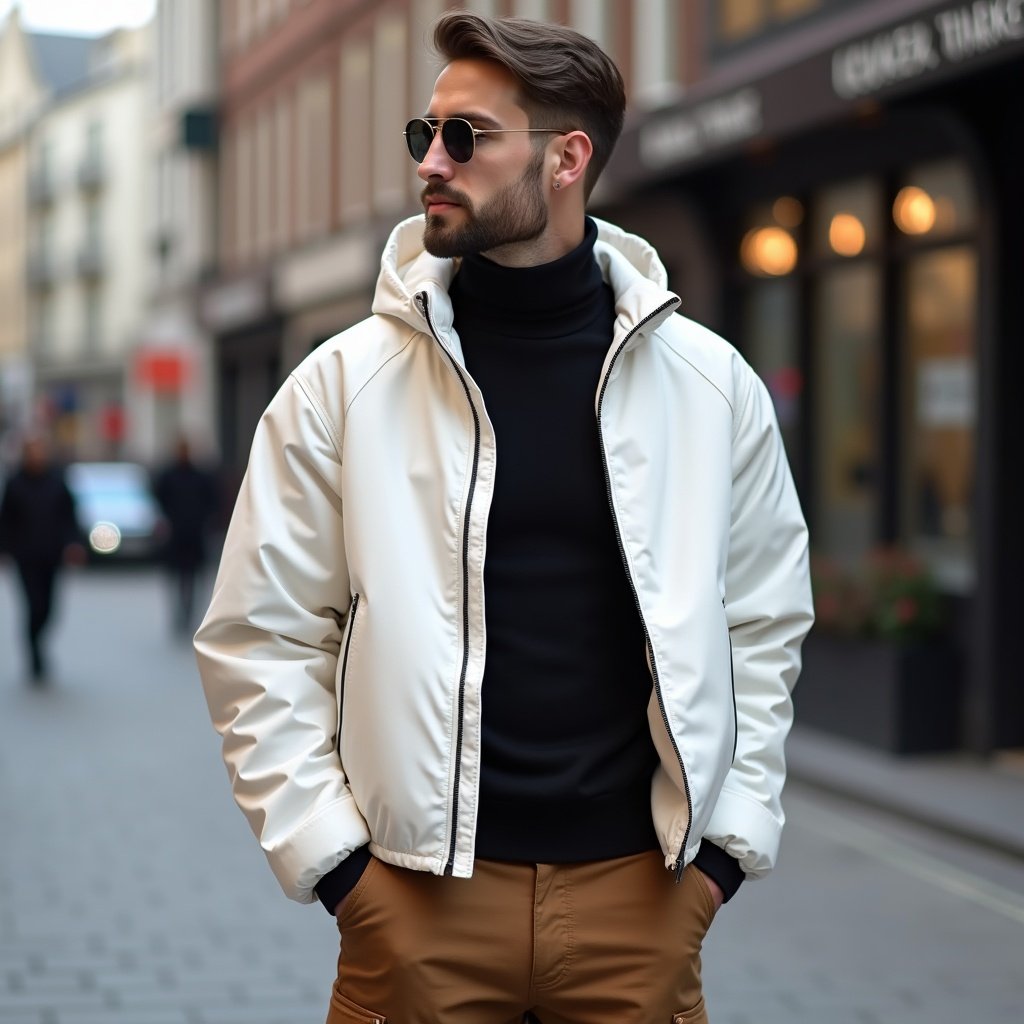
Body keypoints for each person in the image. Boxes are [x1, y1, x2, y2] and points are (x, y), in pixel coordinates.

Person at [195, 12, 814, 1023]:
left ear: (567, 158)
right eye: (423, 136)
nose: (430, 162)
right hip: (415, 905)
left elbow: (763, 620)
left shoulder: (712, 387)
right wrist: (342, 870)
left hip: (641, 901)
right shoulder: (340, 386)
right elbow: (258, 635)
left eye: (465, 137)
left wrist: (719, 859)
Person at [0, 435, 83, 683]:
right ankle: (34, 654)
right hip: (25, 556)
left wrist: (73, 543)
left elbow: (69, 516)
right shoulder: (15, 484)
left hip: (51, 554)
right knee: (33, 605)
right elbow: (6, 521)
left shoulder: (57, 482)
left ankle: (38, 640)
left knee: (49, 608)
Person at [152, 437, 218, 635]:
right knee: (178, 578)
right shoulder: (169, 476)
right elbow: (159, 499)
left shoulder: (200, 476)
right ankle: (180, 614)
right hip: (176, 536)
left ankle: (188, 614)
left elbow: (212, 501)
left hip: (195, 535)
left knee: (194, 578)